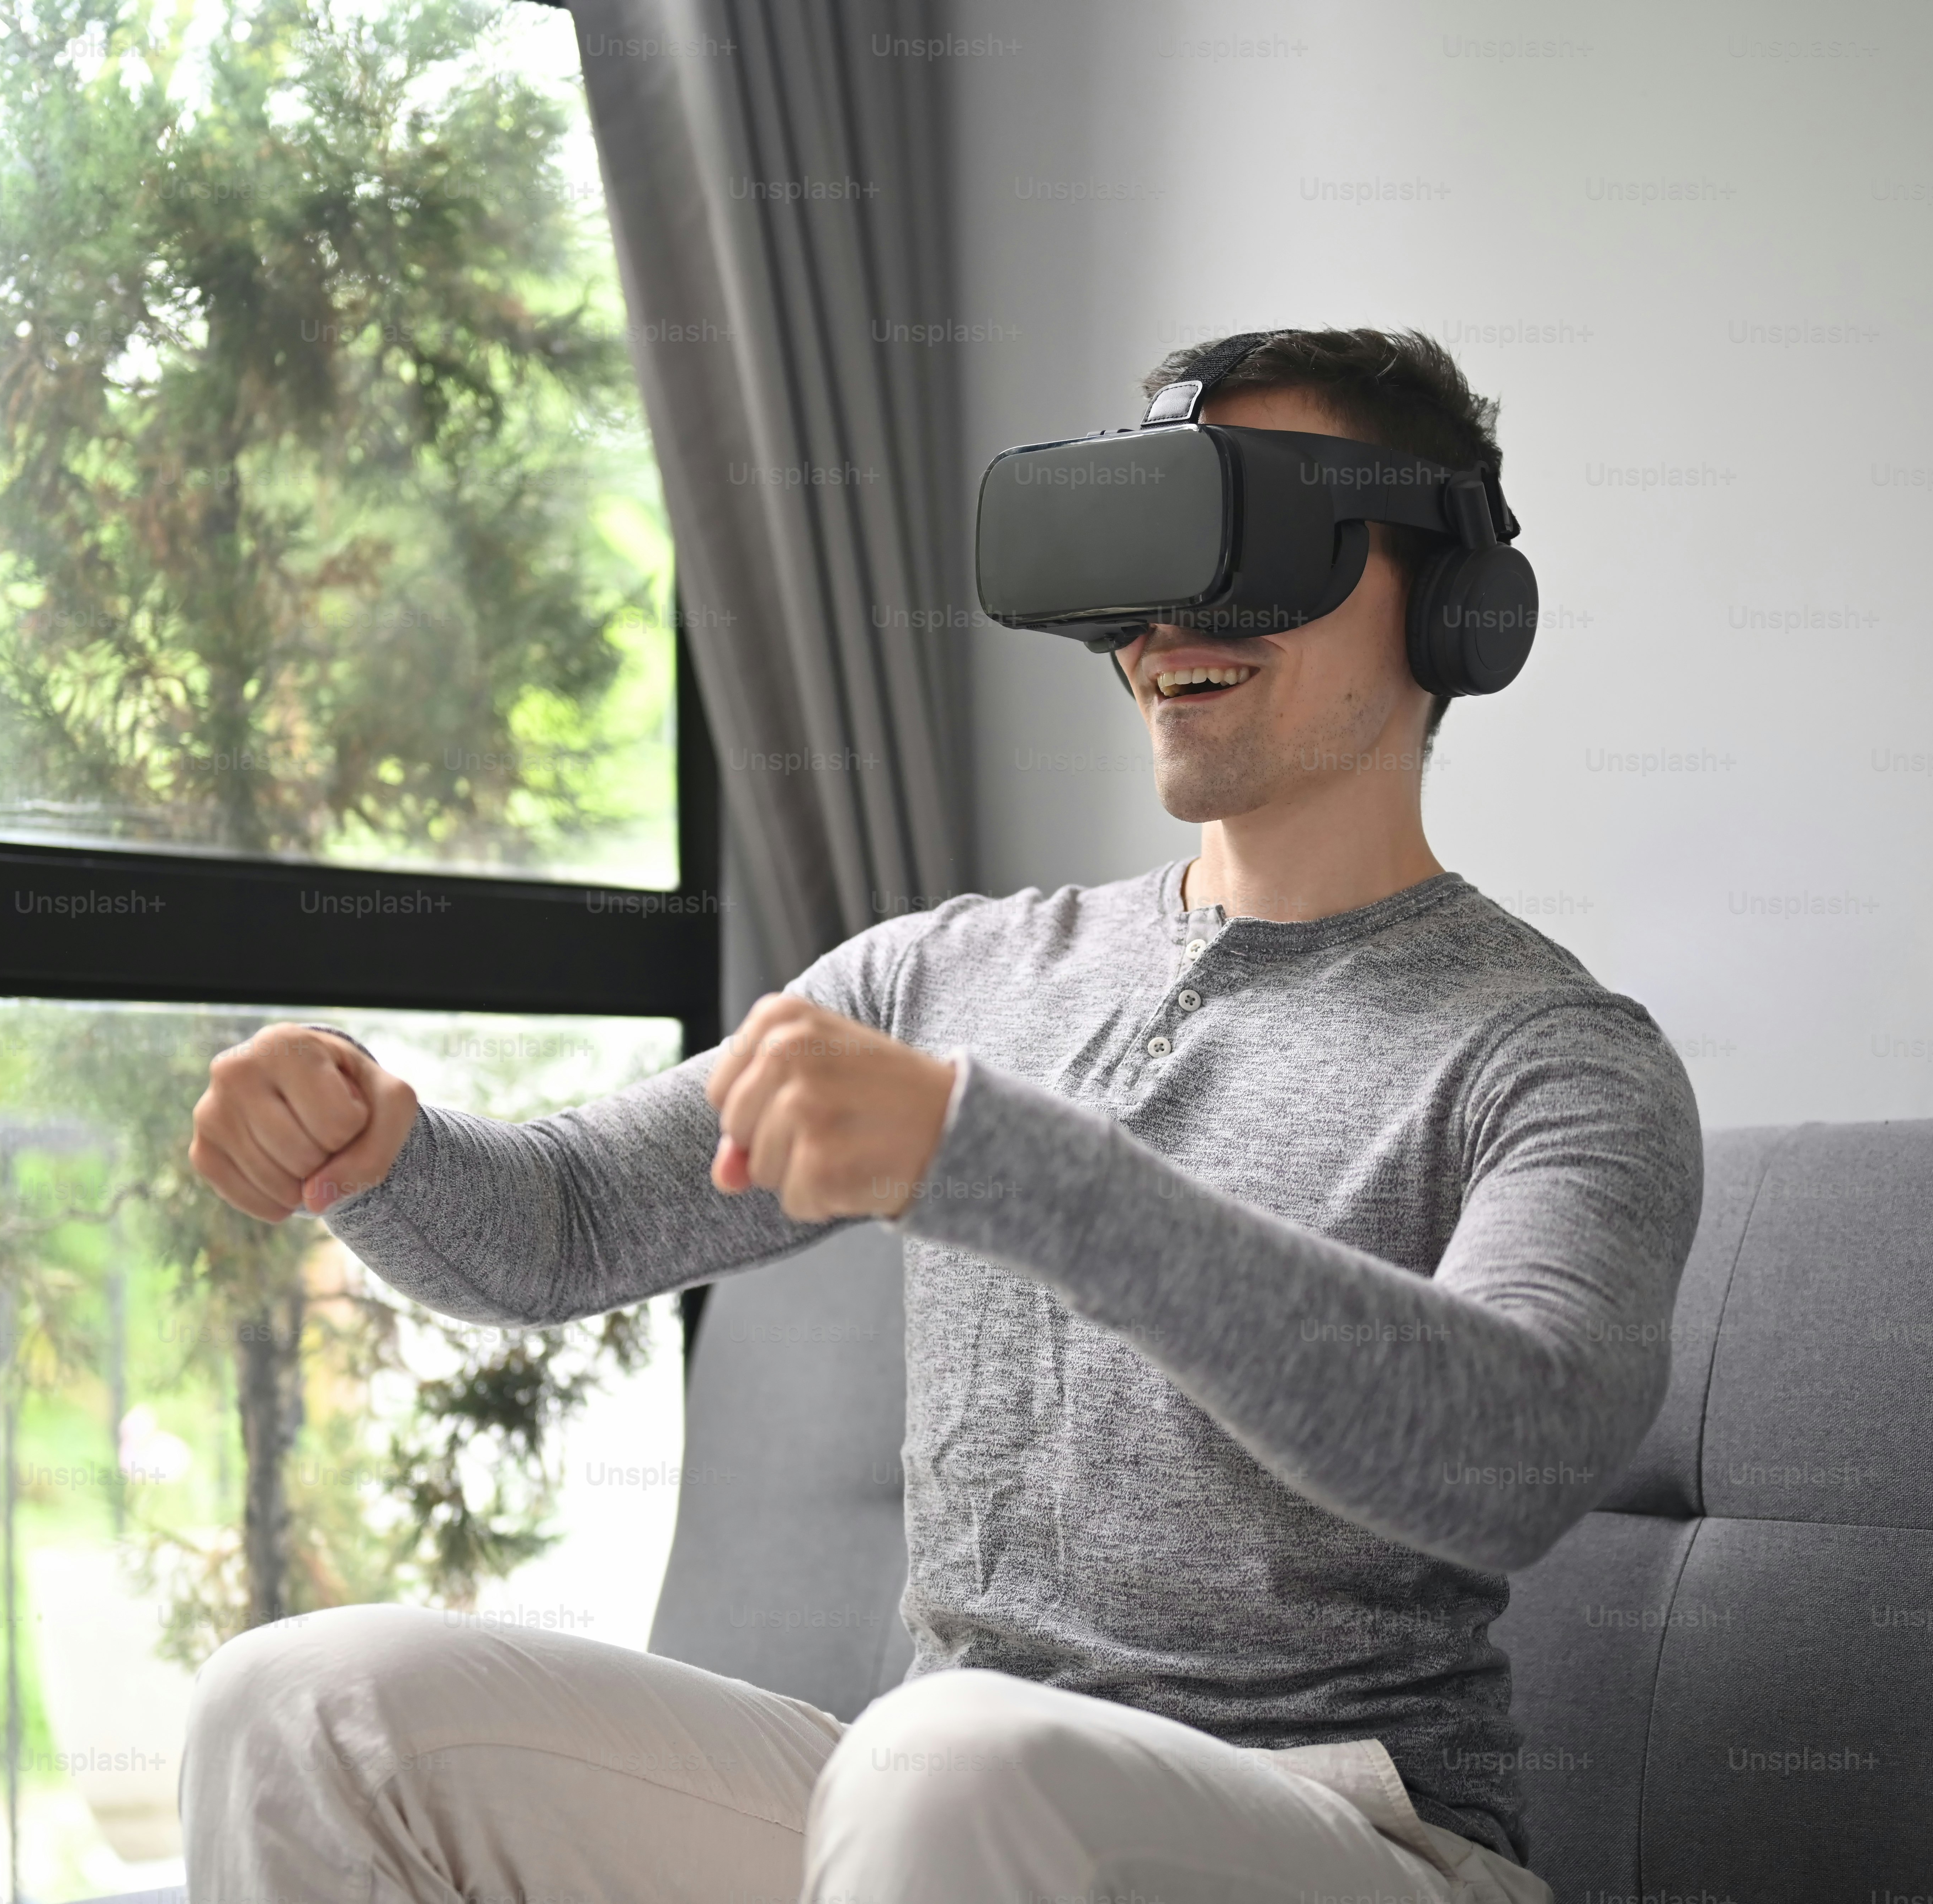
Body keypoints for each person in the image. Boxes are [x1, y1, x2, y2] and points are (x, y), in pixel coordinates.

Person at [179, 328, 1704, 1904]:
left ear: (1452, 600)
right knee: (304, 1705)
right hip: (934, 1806)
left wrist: (1006, 1164)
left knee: (947, 1756)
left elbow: (1515, 1452)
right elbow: (565, 1219)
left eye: (1245, 547)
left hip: (1349, 1839)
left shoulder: (1551, 1058)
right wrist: (370, 1147)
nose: (1170, 622)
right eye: (1143, 553)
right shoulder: (944, 975)